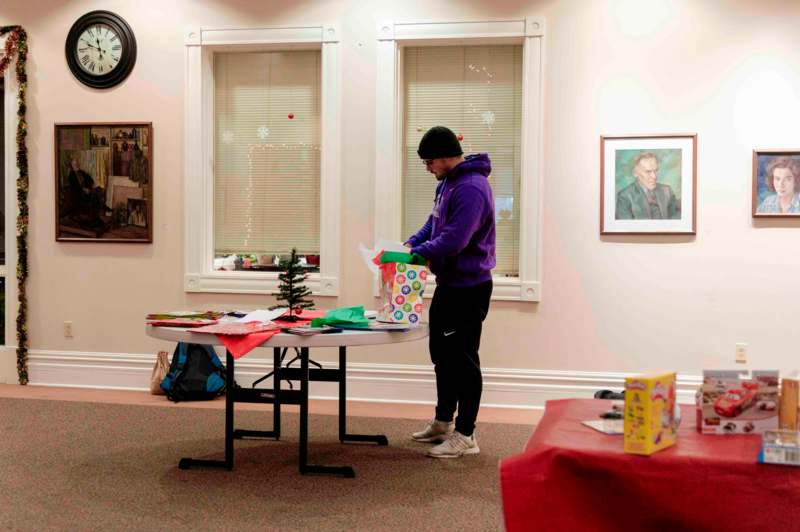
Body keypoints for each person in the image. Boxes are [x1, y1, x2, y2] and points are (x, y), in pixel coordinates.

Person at [404, 126, 495, 459]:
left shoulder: (471, 188)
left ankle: (466, 434)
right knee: (442, 356)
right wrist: (411, 242)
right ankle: (444, 421)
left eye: (429, 162)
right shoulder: (447, 184)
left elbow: (456, 239)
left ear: (444, 157)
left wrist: (419, 253)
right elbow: (434, 223)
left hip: (469, 288)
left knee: (464, 361)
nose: (427, 168)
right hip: (448, 285)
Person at [615, 152, 680, 220]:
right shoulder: (625, 196)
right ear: (635, 173)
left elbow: (676, 219)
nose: (654, 176)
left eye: (656, 170)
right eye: (648, 172)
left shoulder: (667, 191)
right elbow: (625, 227)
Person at [65, 158, 108, 228]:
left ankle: (97, 216)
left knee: (98, 190)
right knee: (94, 195)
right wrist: (83, 189)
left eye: (77, 163)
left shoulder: (82, 172)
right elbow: (74, 187)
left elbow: (90, 179)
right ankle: (97, 214)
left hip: (87, 191)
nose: (77, 165)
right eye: (74, 164)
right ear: (72, 166)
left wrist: (90, 186)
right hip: (79, 195)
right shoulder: (71, 175)